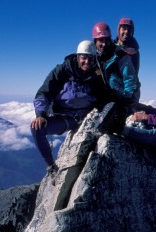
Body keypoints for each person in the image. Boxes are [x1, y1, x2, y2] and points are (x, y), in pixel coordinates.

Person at [30, 40, 109, 180]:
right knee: (37, 128)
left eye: (90, 58)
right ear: (77, 57)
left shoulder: (97, 74)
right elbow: (43, 93)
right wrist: (41, 114)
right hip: (66, 118)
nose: (87, 62)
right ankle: (52, 167)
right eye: (83, 57)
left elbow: (104, 97)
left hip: (89, 119)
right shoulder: (62, 71)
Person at [92, 22, 139, 109]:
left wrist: (127, 100)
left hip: (121, 97)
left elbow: (130, 79)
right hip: (104, 98)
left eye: (106, 40)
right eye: (101, 40)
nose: (104, 43)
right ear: (95, 41)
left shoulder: (120, 55)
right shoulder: (93, 58)